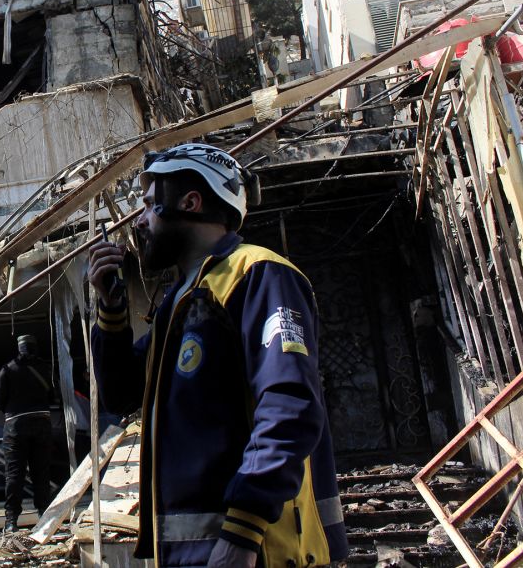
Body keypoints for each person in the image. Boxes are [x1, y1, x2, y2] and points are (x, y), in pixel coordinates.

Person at [87, 143, 347, 568]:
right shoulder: (181, 302)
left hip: (254, 551)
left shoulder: (257, 274)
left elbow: (289, 406)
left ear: (190, 201)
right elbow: (121, 395)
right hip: (194, 554)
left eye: (151, 205)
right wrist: (111, 310)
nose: (140, 220)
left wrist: (243, 533)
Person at [0, 334, 54, 532]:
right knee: (41, 472)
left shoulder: (7, 369)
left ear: (19, 348)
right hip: (42, 423)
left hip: (15, 425)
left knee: (14, 474)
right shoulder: (45, 367)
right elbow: (52, 395)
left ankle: (11, 521)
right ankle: (44, 515)